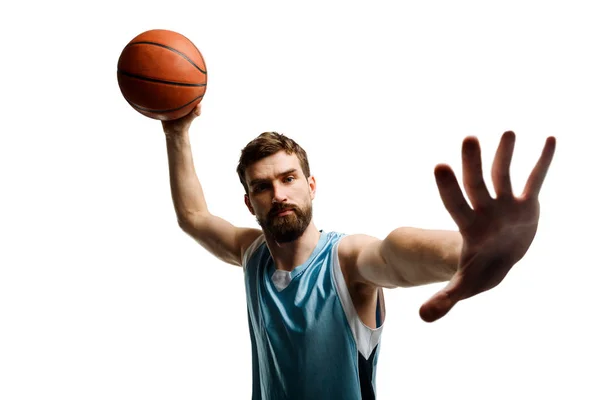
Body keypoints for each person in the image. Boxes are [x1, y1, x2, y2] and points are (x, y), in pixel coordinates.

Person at [160, 104, 556, 400]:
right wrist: (176, 129)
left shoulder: (346, 261)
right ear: (250, 203)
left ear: (311, 185)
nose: (278, 194)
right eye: (262, 187)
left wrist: (464, 251)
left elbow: (394, 255)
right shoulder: (253, 254)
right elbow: (194, 216)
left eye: (288, 178)